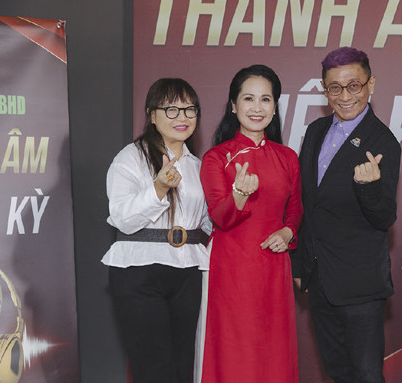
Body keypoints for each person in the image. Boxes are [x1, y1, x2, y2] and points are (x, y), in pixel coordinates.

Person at [291, 47, 401, 383]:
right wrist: (300, 266)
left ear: (371, 85)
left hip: (360, 284)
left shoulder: (383, 141)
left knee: (366, 374)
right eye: (334, 87)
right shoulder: (315, 131)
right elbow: (306, 204)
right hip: (319, 280)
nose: (344, 96)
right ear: (324, 90)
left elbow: (384, 217)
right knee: (336, 372)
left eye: (354, 85)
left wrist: (368, 187)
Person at [102, 78, 212, 383]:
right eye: (171, 109)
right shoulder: (130, 158)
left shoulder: (199, 166)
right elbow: (122, 219)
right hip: (139, 272)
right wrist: (159, 187)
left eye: (189, 109)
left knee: (182, 367)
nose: (182, 117)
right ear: (152, 114)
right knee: (153, 370)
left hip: (188, 272)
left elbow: (209, 223)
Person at [199, 64, 302, 383]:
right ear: (233, 105)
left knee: (274, 352)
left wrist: (287, 232)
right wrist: (240, 194)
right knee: (235, 354)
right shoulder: (217, 157)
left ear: (275, 107)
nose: (257, 107)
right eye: (248, 98)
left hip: (274, 268)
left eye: (265, 99)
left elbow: (296, 211)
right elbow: (221, 217)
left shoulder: (288, 157)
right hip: (231, 269)